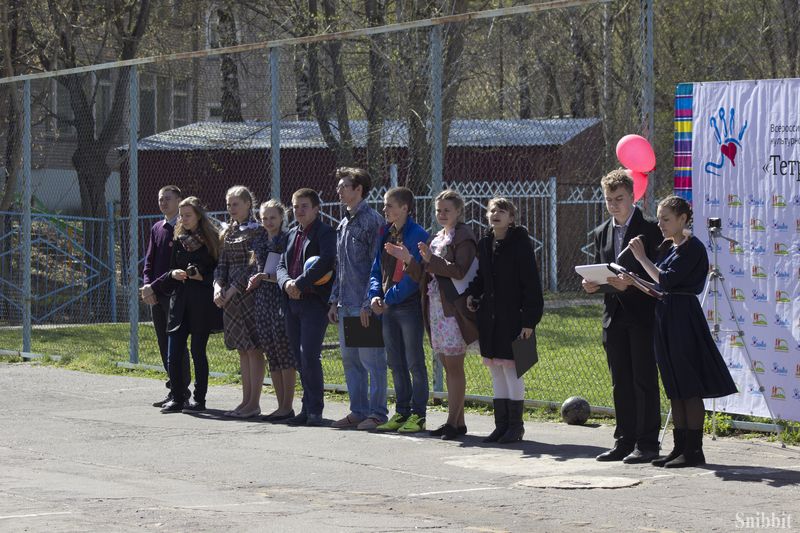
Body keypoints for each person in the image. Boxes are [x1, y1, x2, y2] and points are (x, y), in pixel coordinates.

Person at [626, 195, 737, 468]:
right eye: (660, 218)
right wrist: (631, 279)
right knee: (674, 385)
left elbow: (666, 280)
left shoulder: (693, 248)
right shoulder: (671, 247)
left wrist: (640, 259)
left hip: (683, 317)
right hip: (665, 314)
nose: (661, 224)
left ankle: (694, 450)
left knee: (688, 385)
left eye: (666, 219)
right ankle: (679, 447)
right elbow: (658, 287)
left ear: (683, 220)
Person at [582, 169, 663, 464]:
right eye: (609, 199)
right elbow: (601, 270)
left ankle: (647, 443)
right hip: (613, 316)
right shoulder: (601, 231)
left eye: (619, 199)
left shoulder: (651, 229)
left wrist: (632, 283)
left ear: (632, 196)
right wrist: (592, 284)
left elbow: (659, 278)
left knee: (643, 379)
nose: (614, 205)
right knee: (621, 382)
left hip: (642, 314)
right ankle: (624, 440)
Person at [386, 189, 478, 440]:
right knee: (447, 365)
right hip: (436, 308)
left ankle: (453, 422)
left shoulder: (464, 237)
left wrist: (431, 259)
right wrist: (408, 260)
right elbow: (423, 277)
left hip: (453, 310)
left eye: (447, 210)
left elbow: (459, 271)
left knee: (455, 365)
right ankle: (457, 422)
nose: (442, 214)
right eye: (438, 210)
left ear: (459, 211)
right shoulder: (438, 237)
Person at [466, 198, 543, 443]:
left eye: (502, 211)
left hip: (514, 317)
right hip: (490, 318)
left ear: (511, 218)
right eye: (491, 211)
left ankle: (515, 426)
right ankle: (501, 425)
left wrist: (529, 321)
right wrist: (473, 293)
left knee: (513, 371)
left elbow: (532, 285)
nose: (495, 214)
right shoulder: (485, 242)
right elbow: (482, 275)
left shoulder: (520, 245)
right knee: (496, 370)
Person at [327, 168, 388, 431]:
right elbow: (341, 265)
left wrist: (368, 303)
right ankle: (358, 410)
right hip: (345, 304)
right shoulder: (344, 222)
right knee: (351, 361)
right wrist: (334, 300)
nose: (338, 191)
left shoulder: (371, 220)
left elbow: (377, 266)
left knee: (372, 361)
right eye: (339, 186)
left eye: (344, 186)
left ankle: (377, 413)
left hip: (364, 306)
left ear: (358, 190)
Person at [152, 197, 223, 413]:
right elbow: (171, 268)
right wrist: (173, 273)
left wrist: (202, 276)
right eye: (181, 215)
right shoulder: (179, 238)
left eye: (188, 215)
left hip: (201, 303)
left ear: (199, 215)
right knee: (173, 352)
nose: (183, 219)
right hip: (180, 302)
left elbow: (219, 270)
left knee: (197, 352)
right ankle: (178, 395)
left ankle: (199, 399)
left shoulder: (211, 239)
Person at [369, 187, 430, 434]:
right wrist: (374, 294)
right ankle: (401, 411)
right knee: (395, 362)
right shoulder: (385, 232)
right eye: (384, 206)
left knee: (414, 361)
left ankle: (419, 414)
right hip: (387, 306)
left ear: (405, 207)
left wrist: (390, 297)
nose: (385, 210)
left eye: (389, 205)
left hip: (406, 306)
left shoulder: (418, 234)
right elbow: (376, 268)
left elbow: (414, 277)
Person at [276, 188, 337, 427]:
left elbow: (326, 260)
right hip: (291, 301)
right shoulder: (291, 234)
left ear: (316, 209)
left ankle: (315, 410)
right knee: (299, 359)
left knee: (309, 354)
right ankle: (306, 407)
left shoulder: (325, 232)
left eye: (304, 206)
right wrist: (287, 283)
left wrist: (301, 283)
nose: (298, 210)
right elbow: (281, 264)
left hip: (313, 302)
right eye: (295, 206)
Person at [213, 186, 268, 419]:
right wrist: (217, 287)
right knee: (242, 350)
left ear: (248, 204)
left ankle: (254, 403)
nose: (231, 209)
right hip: (230, 299)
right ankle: (245, 401)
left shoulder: (257, 231)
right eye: (228, 204)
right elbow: (221, 264)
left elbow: (254, 265)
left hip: (249, 296)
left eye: (236, 204)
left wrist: (235, 288)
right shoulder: (228, 232)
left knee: (254, 349)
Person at [247, 200, 296, 422]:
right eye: (264, 218)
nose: (268, 222)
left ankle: (287, 405)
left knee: (284, 350)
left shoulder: (287, 238)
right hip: (262, 299)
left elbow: (288, 271)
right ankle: (280, 405)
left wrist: (265, 277)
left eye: (273, 218)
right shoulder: (258, 239)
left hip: (280, 297)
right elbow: (257, 267)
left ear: (282, 217)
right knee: (272, 352)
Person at [140, 185, 190, 407]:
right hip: (155, 295)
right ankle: (173, 389)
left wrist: (156, 287)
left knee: (176, 343)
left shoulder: (184, 229)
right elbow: (149, 262)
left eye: (168, 199)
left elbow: (178, 267)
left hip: (174, 294)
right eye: (161, 199)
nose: (163, 203)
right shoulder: (157, 228)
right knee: (163, 342)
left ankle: (183, 393)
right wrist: (146, 286)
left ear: (179, 200)